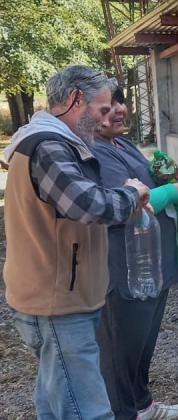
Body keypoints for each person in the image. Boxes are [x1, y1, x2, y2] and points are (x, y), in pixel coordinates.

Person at [3, 65, 150, 419]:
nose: (103, 120)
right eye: (100, 110)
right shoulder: (48, 146)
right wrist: (131, 194)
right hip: (57, 304)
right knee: (88, 410)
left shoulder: (56, 142)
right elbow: (88, 205)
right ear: (74, 100)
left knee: (56, 401)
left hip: (58, 299)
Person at [92, 86, 178, 420]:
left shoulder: (122, 143)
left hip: (153, 266)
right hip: (128, 268)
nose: (118, 110)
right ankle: (124, 412)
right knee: (121, 351)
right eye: (107, 105)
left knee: (142, 344)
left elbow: (150, 185)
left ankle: (142, 405)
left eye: (120, 101)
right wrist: (172, 191)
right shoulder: (97, 152)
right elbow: (130, 204)